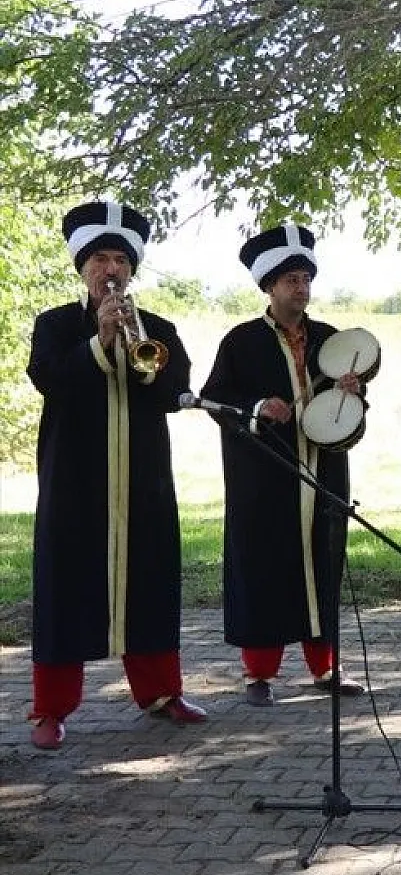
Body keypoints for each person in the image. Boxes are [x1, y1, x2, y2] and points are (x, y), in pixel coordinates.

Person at [27, 200, 206, 750]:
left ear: (132, 270)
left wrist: (135, 347)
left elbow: (176, 390)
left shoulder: (159, 328)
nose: (111, 269)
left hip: (143, 480)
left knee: (150, 582)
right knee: (64, 588)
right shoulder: (55, 325)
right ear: (83, 268)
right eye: (101, 259)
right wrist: (99, 344)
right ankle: (51, 709)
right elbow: (49, 379)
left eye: (121, 261)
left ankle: (161, 693)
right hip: (74, 482)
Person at [200, 225, 367, 706]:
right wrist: (257, 408)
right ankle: (258, 674)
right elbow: (215, 399)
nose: (301, 287)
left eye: (306, 279)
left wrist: (353, 393)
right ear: (269, 286)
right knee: (263, 567)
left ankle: (326, 667)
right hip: (265, 476)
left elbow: (353, 409)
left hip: (323, 472)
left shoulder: (331, 339)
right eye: (291, 279)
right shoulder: (241, 341)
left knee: (323, 564)